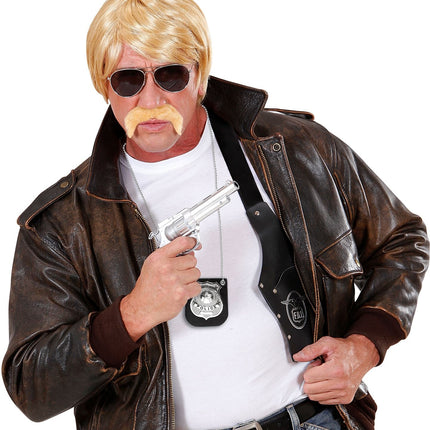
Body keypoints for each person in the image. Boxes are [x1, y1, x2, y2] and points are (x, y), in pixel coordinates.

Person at [2, 0, 428, 429]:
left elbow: (402, 240)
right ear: (103, 85)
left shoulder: (297, 148)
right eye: (128, 79)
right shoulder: (61, 223)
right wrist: (132, 314)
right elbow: (30, 389)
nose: (151, 99)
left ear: (200, 74)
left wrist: (365, 345)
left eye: (170, 75)